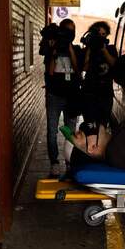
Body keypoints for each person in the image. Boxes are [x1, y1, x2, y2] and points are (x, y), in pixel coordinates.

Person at [39, 19, 81, 176]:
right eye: (66, 31)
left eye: (72, 31)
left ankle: (70, 162)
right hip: (54, 95)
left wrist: (70, 49)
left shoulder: (76, 49)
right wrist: (54, 53)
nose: (69, 34)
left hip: (72, 96)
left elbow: (78, 70)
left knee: (70, 132)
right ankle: (54, 162)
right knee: (52, 130)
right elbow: (50, 72)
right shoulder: (52, 49)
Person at [81, 21, 118, 127]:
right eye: (98, 35)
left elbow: (113, 63)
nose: (100, 37)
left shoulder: (111, 48)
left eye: (103, 34)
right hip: (89, 93)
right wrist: (89, 49)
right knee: (90, 125)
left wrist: (103, 49)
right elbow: (84, 67)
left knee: (102, 126)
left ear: (107, 35)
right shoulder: (88, 49)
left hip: (105, 94)